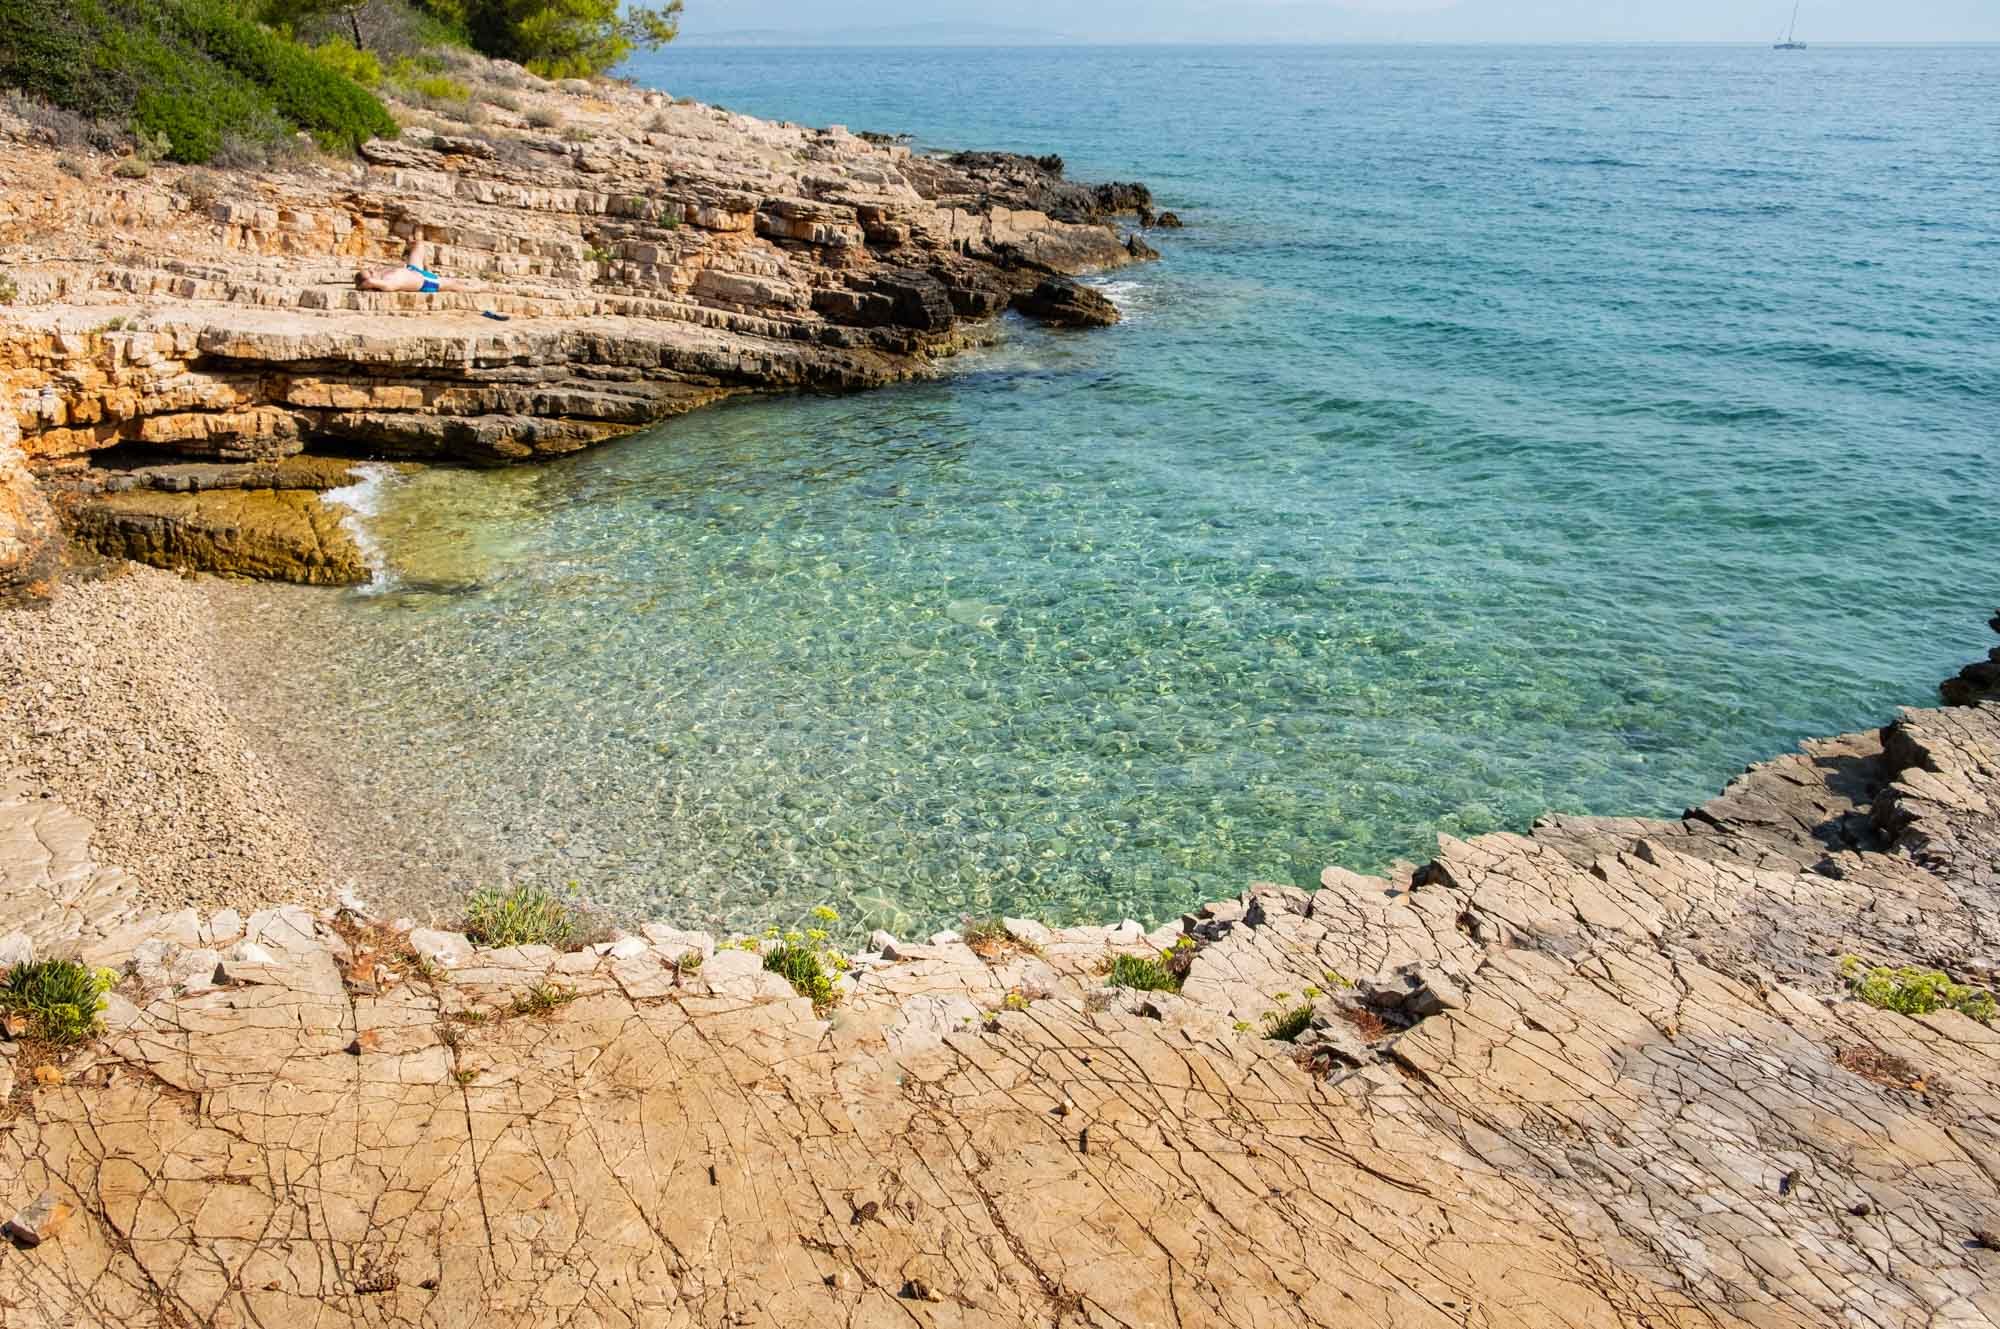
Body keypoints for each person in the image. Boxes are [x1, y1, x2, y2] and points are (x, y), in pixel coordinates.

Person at [355, 240, 471, 293]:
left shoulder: (381, 274)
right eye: (369, 272)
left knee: (419, 244)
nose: (371, 269)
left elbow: (369, 279)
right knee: (455, 284)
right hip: (426, 281)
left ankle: (429, 269)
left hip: (414, 269)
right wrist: (364, 284)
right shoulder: (388, 284)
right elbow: (368, 281)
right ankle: (479, 289)